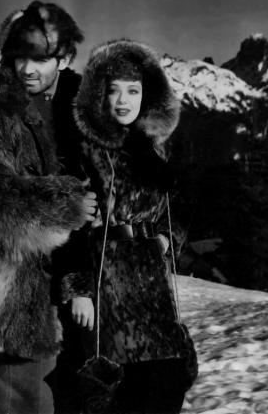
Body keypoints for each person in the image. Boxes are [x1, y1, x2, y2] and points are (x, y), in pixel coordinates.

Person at [0, 0, 98, 414]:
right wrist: (68, 204)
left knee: (78, 397)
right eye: (18, 58)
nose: (28, 70)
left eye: (40, 58)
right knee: (23, 399)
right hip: (17, 286)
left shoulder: (82, 110)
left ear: (63, 57)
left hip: (81, 280)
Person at [59, 39, 197, 414]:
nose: (123, 100)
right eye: (113, 90)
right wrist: (79, 289)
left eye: (132, 90)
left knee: (167, 382)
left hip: (152, 280)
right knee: (121, 389)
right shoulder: (84, 149)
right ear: (98, 95)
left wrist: (169, 239)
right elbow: (71, 225)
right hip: (109, 279)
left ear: (146, 95)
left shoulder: (154, 148)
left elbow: (176, 206)